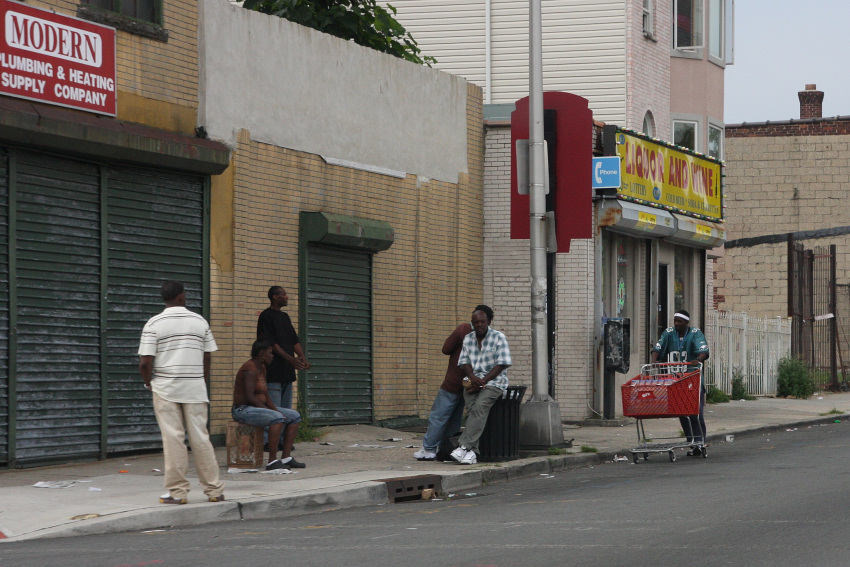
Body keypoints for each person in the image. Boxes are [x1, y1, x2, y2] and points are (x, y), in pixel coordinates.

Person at [138, 281, 225, 505]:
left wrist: (149, 383)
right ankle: (214, 489)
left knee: (173, 439)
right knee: (201, 438)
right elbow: (207, 356)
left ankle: (177, 493)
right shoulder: (199, 321)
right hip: (195, 388)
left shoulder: (153, 323)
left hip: (165, 388)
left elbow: (145, 361)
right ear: (180, 297)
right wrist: (200, 379)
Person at [412, 308, 483, 461]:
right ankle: (447, 447)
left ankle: (429, 448)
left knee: (439, 415)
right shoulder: (485, 336)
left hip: (453, 380)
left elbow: (446, 349)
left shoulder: (463, 329)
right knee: (455, 418)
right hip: (468, 384)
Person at [450, 306, 512, 465]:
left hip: (494, 383)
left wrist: (483, 381)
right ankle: (472, 453)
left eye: (482, 321)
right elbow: (464, 362)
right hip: (472, 382)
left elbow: (502, 364)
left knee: (479, 408)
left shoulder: (499, 337)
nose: (479, 325)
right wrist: (473, 378)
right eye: (475, 322)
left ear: (489, 321)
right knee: (471, 412)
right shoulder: (468, 338)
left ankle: (463, 447)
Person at [232, 340, 306, 470]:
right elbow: (250, 397)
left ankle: (286, 458)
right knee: (276, 418)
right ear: (261, 353)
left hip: (256, 407)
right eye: (270, 353)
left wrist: (275, 410)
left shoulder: (262, 368)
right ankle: (272, 461)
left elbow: (266, 395)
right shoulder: (250, 369)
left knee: (294, 416)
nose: (272, 356)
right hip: (242, 410)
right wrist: (270, 412)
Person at [650, 309, 710, 455]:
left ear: (686, 322)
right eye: (675, 321)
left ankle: (700, 442)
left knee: (696, 412)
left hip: (692, 379)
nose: (676, 324)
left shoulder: (695, 333)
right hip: (674, 379)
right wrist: (654, 361)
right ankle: (692, 443)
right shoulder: (669, 333)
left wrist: (699, 359)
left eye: (679, 322)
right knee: (682, 412)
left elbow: (704, 350)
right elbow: (657, 347)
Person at [257, 286, 310, 410]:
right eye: (284, 294)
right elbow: (270, 342)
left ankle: (284, 430)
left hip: (287, 372)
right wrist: (289, 358)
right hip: (273, 371)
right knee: (275, 411)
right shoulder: (266, 316)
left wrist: (302, 359)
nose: (287, 297)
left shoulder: (285, 317)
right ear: (275, 297)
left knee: (286, 411)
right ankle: (273, 430)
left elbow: (294, 340)